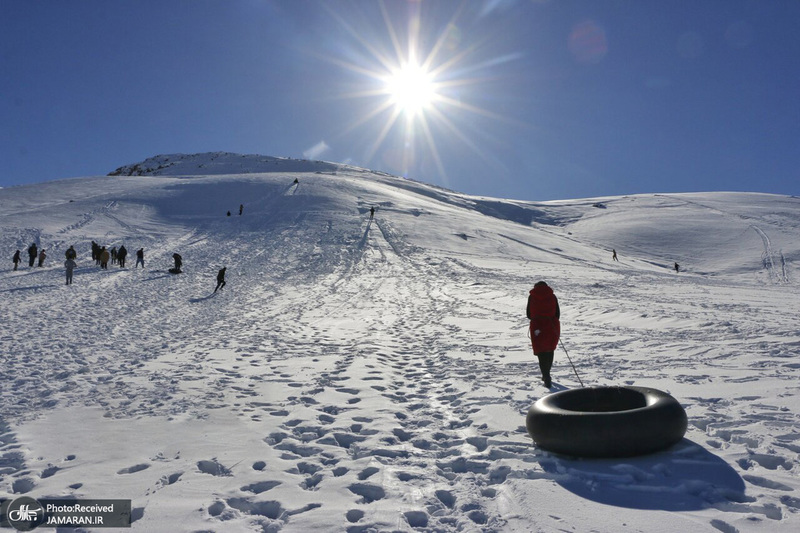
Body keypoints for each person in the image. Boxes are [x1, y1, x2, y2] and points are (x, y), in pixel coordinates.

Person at [526, 281, 561, 388]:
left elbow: (528, 314)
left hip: (537, 326)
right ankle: (547, 374)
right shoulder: (552, 296)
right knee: (550, 349)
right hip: (551, 325)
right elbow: (557, 314)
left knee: (541, 351)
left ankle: (546, 375)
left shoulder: (532, 297)